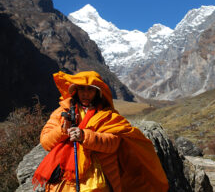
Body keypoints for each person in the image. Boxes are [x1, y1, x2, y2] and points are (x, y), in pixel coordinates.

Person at [32, 71, 169, 192]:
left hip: (99, 176)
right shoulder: (62, 112)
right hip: (64, 176)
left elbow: (113, 144)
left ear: (97, 93)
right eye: (82, 89)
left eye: (90, 90)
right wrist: (63, 130)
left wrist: (84, 136)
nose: (85, 94)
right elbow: (46, 142)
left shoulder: (108, 115)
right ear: (76, 91)